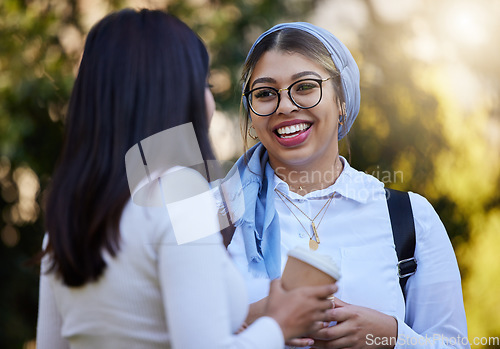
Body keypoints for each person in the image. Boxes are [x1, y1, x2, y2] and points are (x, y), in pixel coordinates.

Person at [36, 11, 338, 349]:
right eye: (205, 84)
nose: (208, 100)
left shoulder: (69, 218)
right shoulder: (178, 194)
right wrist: (279, 326)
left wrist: (267, 318)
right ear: (174, 94)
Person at [224, 22, 470, 348]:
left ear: (342, 101)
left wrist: (393, 337)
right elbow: (160, 333)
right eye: (266, 93)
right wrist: (258, 317)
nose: (284, 106)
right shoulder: (209, 215)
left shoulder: (410, 217)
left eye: (305, 87)